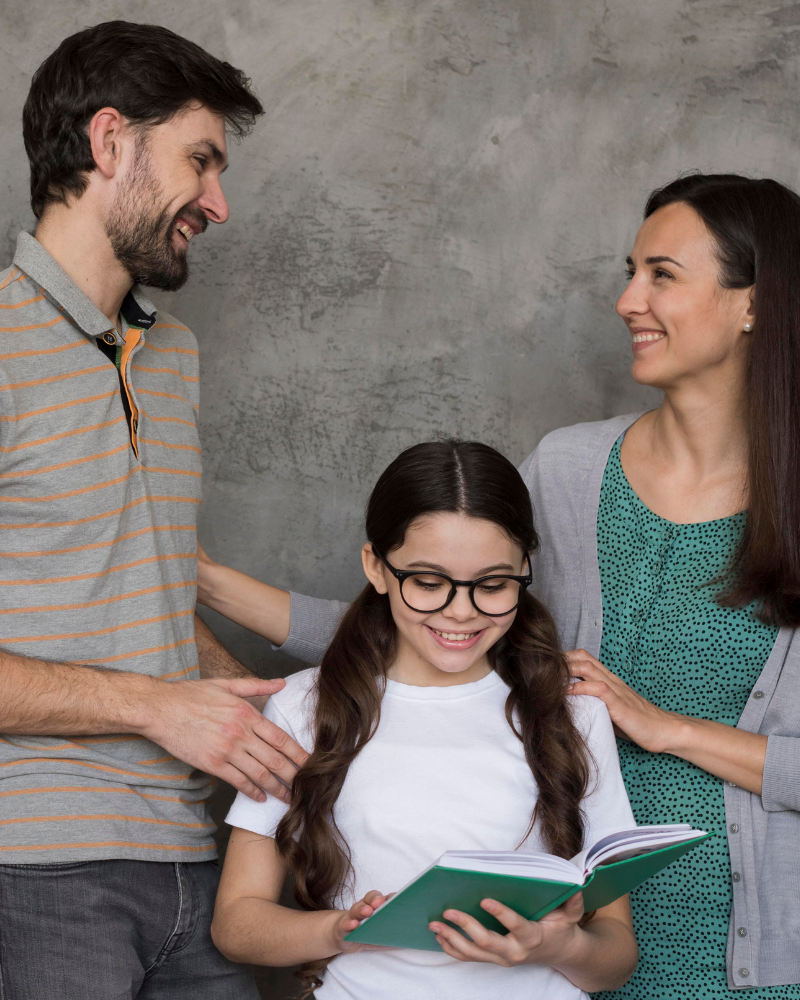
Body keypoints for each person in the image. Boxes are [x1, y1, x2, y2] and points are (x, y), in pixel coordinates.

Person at [199, 173, 800, 995]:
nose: (627, 300)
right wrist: (204, 582)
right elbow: (445, 613)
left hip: (751, 950)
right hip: (558, 942)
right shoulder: (571, 470)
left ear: (754, 303)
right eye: (631, 271)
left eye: (662, 274)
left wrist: (670, 732)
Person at [0, 21, 308, 999]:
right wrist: (154, 706)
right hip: (36, 870)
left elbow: (140, 599)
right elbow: (148, 686)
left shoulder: (172, 356)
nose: (217, 203)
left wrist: (276, 729)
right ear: (108, 142)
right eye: (200, 161)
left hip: (192, 857)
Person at [209, 440, 639, 999]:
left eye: (493, 585)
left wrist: (560, 947)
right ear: (377, 568)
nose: (461, 612)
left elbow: (616, 958)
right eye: (429, 583)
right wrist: (338, 931)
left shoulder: (573, 710)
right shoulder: (303, 706)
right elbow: (237, 925)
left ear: (525, 570)